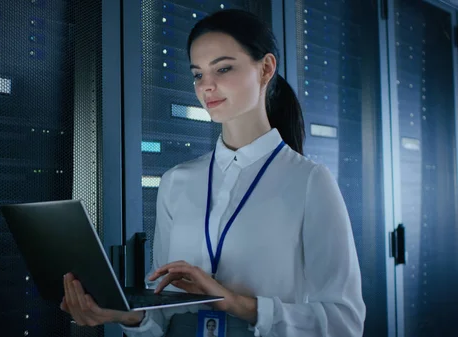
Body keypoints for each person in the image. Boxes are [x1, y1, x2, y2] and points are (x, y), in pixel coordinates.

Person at [60, 8, 366, 337]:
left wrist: (234, 302)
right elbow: (160, 318)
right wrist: (127, 316)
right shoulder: (176, 181)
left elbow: (344, 322)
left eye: (223, 68)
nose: (207, 86)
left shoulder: (309, 181)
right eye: (197, 74)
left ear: (265, 69)